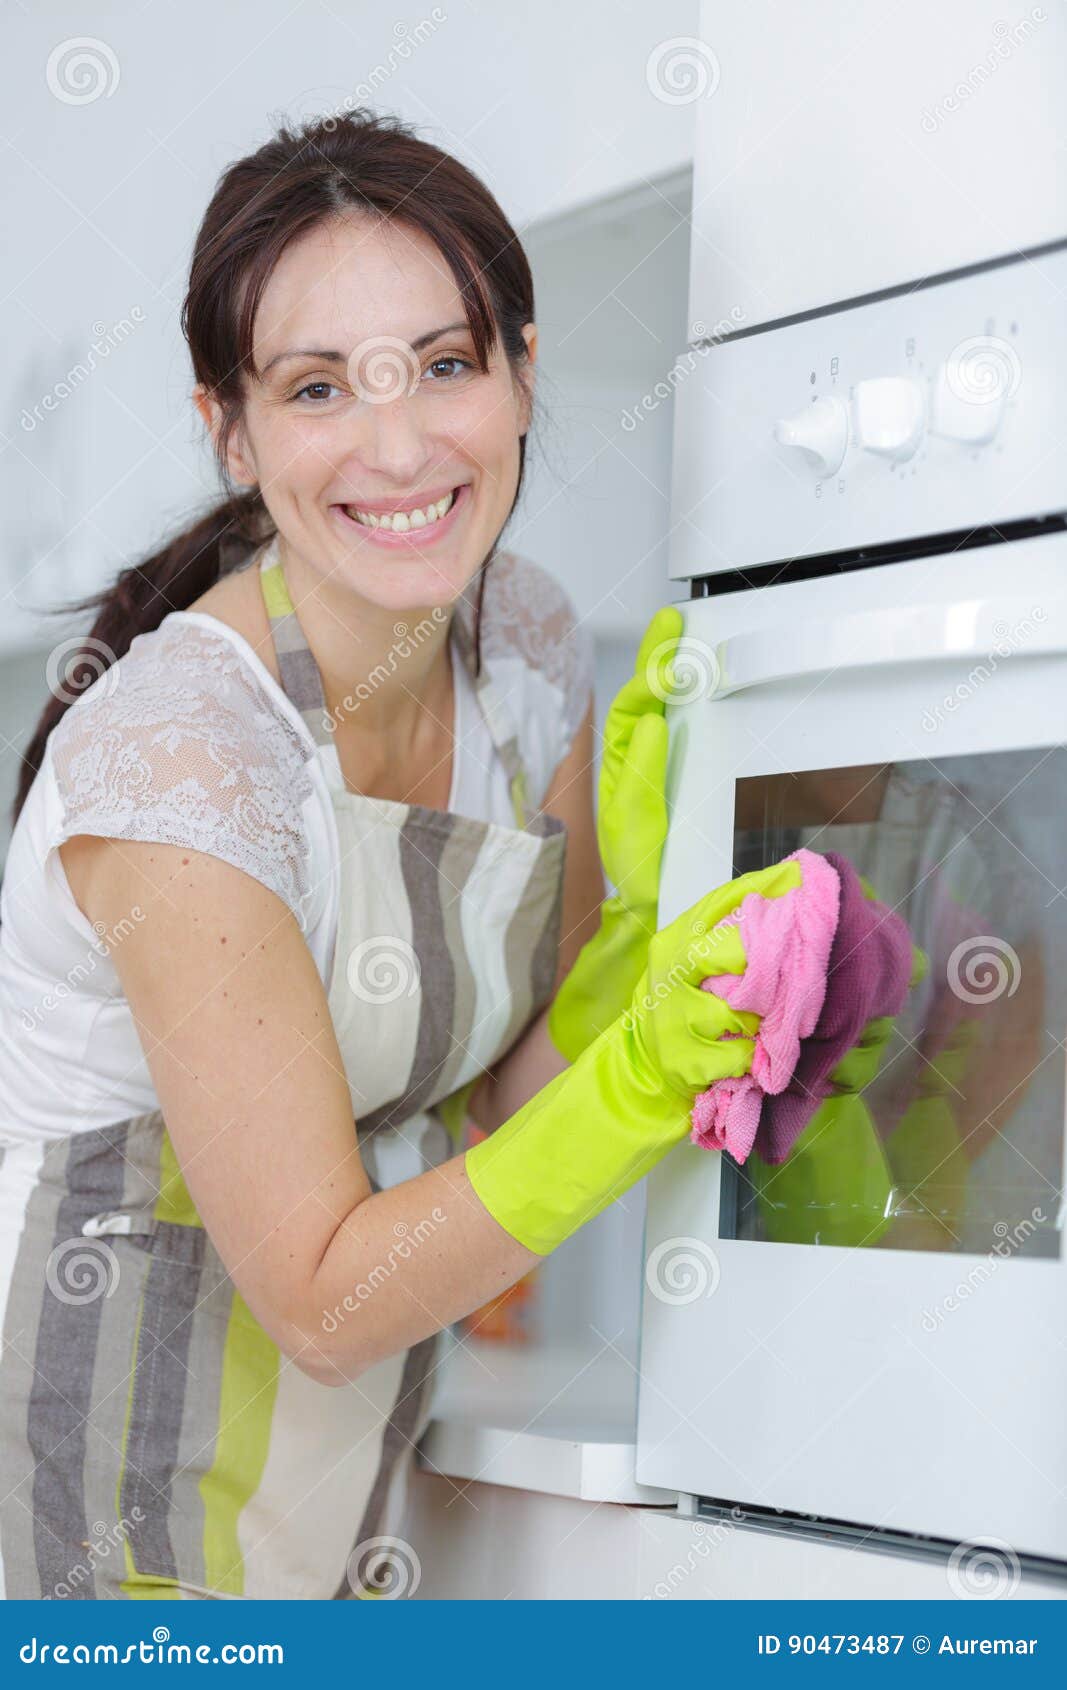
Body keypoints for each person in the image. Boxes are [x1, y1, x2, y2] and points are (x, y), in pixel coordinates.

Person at [0, 108, 792, 1601]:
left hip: (341, 1508)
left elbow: (504, 1113)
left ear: (523, 372)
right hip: (73, 1526)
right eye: (317, 387)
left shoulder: (531, 652)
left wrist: (622, 960)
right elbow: (319, 1291)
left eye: (446, 362)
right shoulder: (187, 758)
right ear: (230, 432)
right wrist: (642, 1076)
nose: (402, 441)